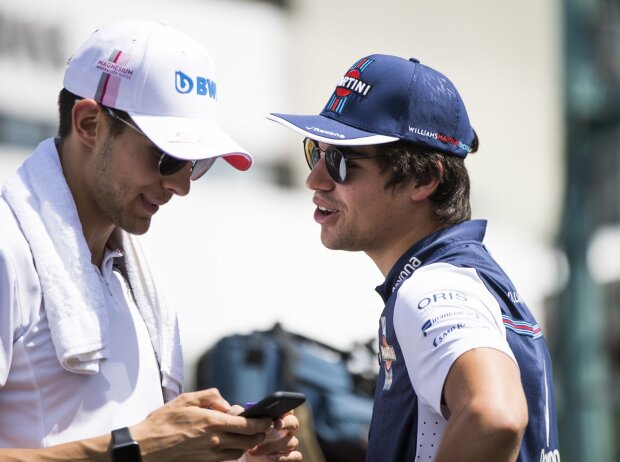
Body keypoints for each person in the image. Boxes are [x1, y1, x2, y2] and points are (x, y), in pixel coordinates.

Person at [0, 18, 300, 461]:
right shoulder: (9, 249)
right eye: (167, 157)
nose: (182, 185)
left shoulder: (133, 277)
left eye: (196, 163)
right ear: (88, 124)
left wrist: (230, 452)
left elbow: (138, 445)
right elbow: (135, 446)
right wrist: (134, 446)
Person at [267, 54, 561, 461]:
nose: (315, 179)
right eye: (315, 152)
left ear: (424, 179)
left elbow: (496, 415)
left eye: (340, 162)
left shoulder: (432, 286)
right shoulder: (471, 277)